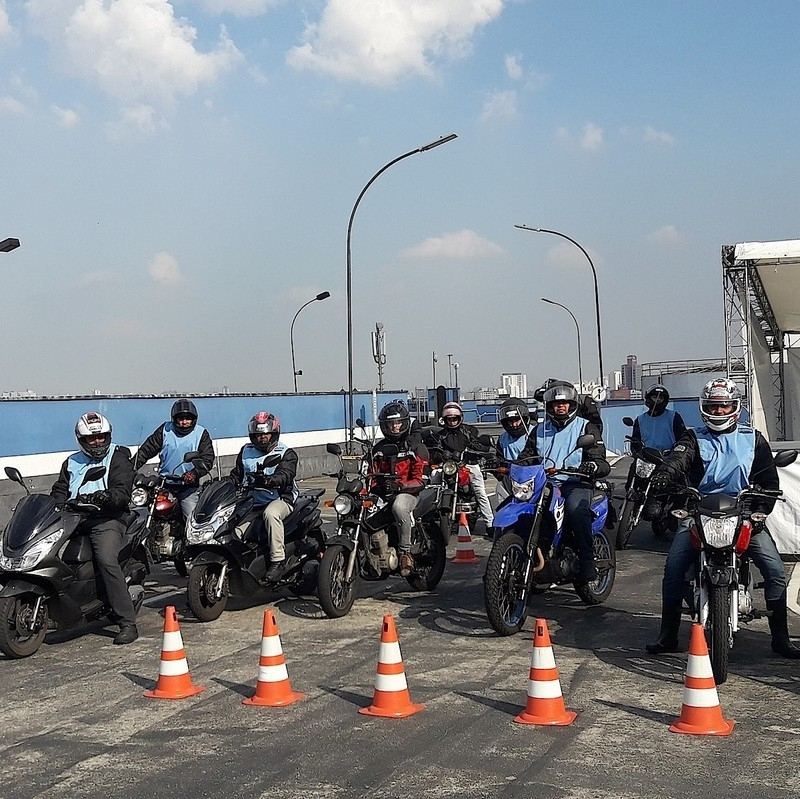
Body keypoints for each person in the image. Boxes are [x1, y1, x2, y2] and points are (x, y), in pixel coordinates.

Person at [646, 378, 800, 658]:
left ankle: (781, 638)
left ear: (735, 407)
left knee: (775, 570)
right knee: (673, 568)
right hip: (698, 511)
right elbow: (677, 459)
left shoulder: (753, 439)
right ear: (705, 408)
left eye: (724, 406)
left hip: (742, 514)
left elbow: (768, 480)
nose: (719, 411)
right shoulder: (692, 437)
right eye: (714, 406)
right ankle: (667, 635)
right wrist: (664, 476)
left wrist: (759, 511)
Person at [50, 412, 138, 645]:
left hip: (107, 519)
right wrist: (56, 503)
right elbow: (60, 489)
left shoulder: (118, 457)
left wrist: (106, 497)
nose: (98, 442)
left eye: (101, 437)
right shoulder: (71, 462)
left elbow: (122, 491)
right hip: (74, 519)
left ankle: (127, 621)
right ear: (81, 440)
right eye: (92, 438)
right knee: (53, 557)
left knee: (107, 560)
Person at [518, 382, 610, 582]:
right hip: (543, 483)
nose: (560, 406)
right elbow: (526, 457)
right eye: (556, 403)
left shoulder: (585, 427)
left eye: (565, 403)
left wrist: (592, 466)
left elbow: (600, 460)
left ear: (572, 404)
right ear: (549, 406)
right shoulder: (539, 430)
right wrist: (506, 464)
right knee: (515, 506)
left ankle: (587, 560)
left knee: (575, 508)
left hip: (574, 483)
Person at [229, 412, 299, 581]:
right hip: (251, 502)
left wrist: (271, 480)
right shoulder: (245, 451)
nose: (262, 438)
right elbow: (237, 475)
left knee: (271, 514)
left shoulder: (286, 453)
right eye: (258, 435)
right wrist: (220, 483)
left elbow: (286, 474)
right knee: (233, 528)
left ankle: (277, 561)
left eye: (265, 434)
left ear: (273, 434)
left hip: (280, 499)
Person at [372, 401, 429, 577]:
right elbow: (370, 475)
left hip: (409, 493)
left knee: (399, 506)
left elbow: (421, 480)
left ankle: (405, 553)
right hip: (384, 493)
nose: (395, 427)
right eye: (391, 424)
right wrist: (374, 487)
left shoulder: (415, 446)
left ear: (404, 423)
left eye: (397, 423)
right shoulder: (378, 449)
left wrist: (400, 486)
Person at [133, 399, 215, 521]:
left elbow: (207, 459)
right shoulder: (165, 430)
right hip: (164, 484)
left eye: (188, 418)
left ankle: (191, 539)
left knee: (191, 520)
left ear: (194, 419)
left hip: (188, 488)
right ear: (174, 419)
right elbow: (146, 450)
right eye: (181, 419)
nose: (184, 422)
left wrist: (194, 474)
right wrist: (130, 467)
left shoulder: (201, 433)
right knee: (147, 513)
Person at [627, 384, 687, 520]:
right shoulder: (640, 419)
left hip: (668, 459)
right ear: (648, 399)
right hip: (646, 459)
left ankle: (673, 514)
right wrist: (637, 453)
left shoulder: (674, 417)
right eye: (655, 397)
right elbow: (635, 441)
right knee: (632, 475)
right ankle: (631, 502)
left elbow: (683, 439)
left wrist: (676, 453)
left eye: (660, 398)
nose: (657, 401)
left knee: (681, 487)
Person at [432, 401, 494, 530]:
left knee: (480, 491)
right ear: (445, 420)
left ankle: (490, 523)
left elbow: (477, 444)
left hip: (468, 464)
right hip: (449, 466)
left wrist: (475, 450)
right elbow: (435, 450)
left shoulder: (469, 431)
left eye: (455, 419)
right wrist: (441, 455)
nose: (453, 422)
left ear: (460, 418)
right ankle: (429, 516)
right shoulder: (441, 435)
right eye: (449, 419)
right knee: (433, 481)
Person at [494, 397, 531, 504]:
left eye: (517, 420)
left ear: (524, 419)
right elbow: (499, 459)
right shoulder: (502, 439)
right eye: (510, 421)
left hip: (532, 480)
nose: (514, 425)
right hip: (510, 482)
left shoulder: (534, 433)